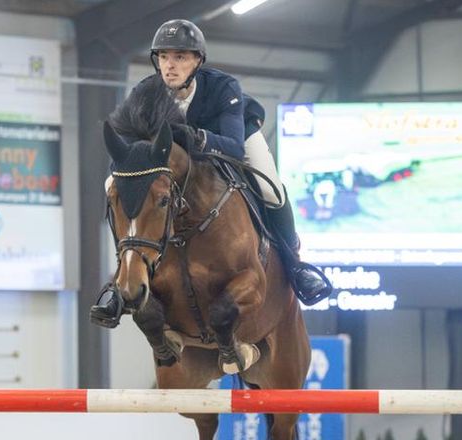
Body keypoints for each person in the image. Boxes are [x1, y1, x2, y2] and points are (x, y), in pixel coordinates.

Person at [90, 18, 332, 328]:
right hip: (177, 159)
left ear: (197, 61)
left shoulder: (223, 86)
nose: (170, 65)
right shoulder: (146, 92)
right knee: (112, 184)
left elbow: (233, 146)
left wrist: (195, 137)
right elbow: (128, 145)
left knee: (271, 189)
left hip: (234, 139)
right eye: (163, 57)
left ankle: (296, 267)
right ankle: (119, 281)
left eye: (180, 57)